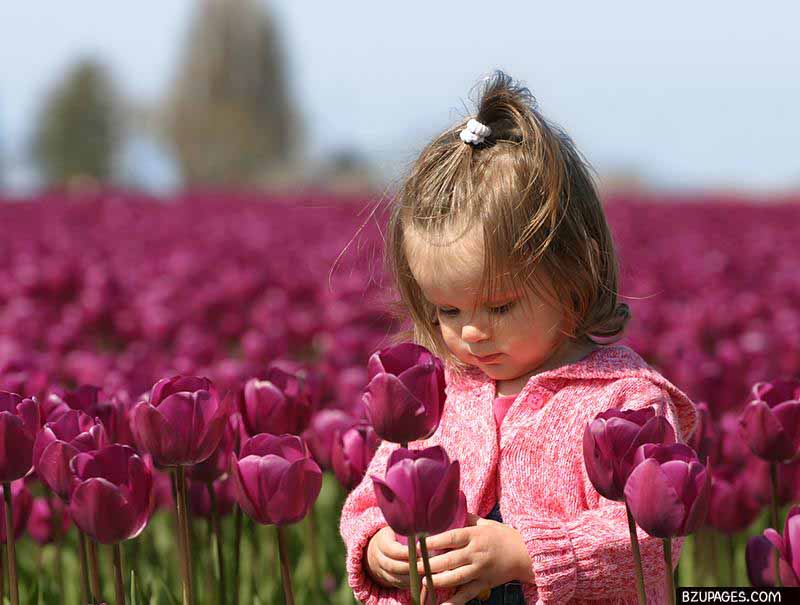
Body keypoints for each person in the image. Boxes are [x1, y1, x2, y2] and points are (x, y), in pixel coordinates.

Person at [339, 71, 698, 605]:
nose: (472, 331)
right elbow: (370, 496)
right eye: (447, 309)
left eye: (501, 305)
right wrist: (373, 546)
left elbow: (649, 543)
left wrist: (526, 554)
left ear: (574, 274)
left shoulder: (625, 400)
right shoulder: (439, 397)